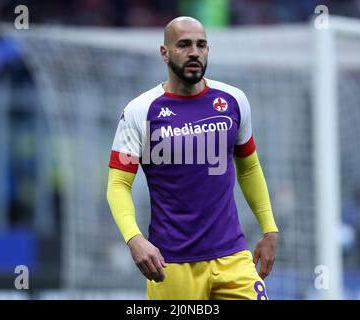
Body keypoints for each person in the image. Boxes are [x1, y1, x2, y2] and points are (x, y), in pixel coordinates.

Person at [107, 16, 278, 300]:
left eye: (201, 45)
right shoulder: (140, 111)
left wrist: (269, 229)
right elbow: (118, 184)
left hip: (233, 257)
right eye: (184, 45)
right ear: (164, 53)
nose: (194, 52)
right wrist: (134, 239)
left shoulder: (233, 101)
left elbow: (249, 169)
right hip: (171, 264)